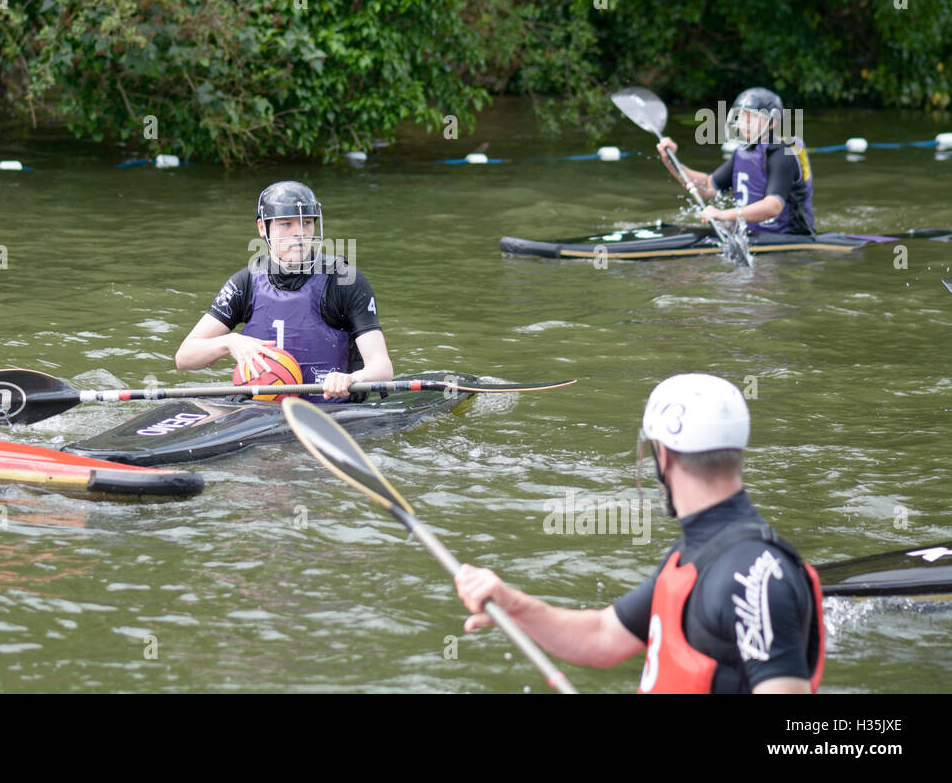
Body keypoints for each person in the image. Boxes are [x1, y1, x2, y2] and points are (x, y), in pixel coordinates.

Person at [454, 373, 826, 694]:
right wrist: (516, 606)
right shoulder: (694, 555)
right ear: (738, 454)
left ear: (663, 456)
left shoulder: (754, 576)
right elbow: (602, 636)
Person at [174, 181, 393, 401]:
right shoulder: (245, 282)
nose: (299, 233)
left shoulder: (344, 281)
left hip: (329, 410)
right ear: (262, 228)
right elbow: (184, 357)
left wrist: (352, 379)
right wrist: (230, 342)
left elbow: (382, 368)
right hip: (257, 411)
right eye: (286, 224)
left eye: (306, 223)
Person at [658, 86, 815, 234]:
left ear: (772, 122)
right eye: (741, 115)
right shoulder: (743, 152)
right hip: (749, 236)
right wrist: (672, 163)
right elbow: (706, 187)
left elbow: (773, 206)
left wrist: (723, 214)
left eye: (752, 117)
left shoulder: (782, 154)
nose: (743, 123)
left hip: (787, 239)